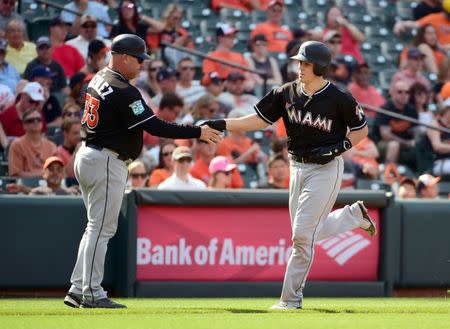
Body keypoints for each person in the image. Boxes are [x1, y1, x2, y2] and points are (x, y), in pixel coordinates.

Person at [202, 41, 376, 310]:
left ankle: (290, 300)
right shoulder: (286, 92)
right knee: (305, 233)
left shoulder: (339, 98)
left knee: (301, 236)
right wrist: (223, 123)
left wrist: (340, 147)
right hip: (297, 166)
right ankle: (352, 216)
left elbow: (361, 130)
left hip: (326, 169)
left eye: (305, 63)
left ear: (319, 66)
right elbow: (258, 119)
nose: (300, 67)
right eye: (299, 62)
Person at [63, 34, 220, 309]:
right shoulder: (124, 90)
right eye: (138, 59)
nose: (141, 65)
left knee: (94, 227)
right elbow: (156, 127)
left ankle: (79, 287)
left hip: (89, 154)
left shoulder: (98, 77)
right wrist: (198, 131)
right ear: (123, 56)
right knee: (101, 228)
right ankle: (89, 291)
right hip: (106, 160)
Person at [8, 108, 57, 177]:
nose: (36, 122)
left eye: (39, 119)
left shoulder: (51, 146)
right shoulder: (17, 145)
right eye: (31, 120)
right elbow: (16, 173)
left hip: (49, 185)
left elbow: (57, 171)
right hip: (25, 186)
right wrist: (43, 174)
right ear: (24, 125)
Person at [6, 156, 80, 195]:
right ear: (44, 173)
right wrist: (22, 189)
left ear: (63, 174)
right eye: (51, 169)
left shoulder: (72, 192)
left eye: (59, 170)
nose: (55, 172)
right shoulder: (37, 193)